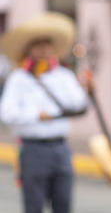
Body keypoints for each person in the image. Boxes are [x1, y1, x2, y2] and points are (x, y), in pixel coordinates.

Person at [0, 12, 89, 213]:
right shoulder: (18, 79)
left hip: (61, 148)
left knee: (63, 204)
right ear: (29, 49)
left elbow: (79, 104)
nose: (43, 48)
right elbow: (6, 113)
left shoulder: (64, 76)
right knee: (34, 206)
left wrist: (89, 90)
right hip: (33, 150)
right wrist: (35, 115)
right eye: (38, 44)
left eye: (47, 44)